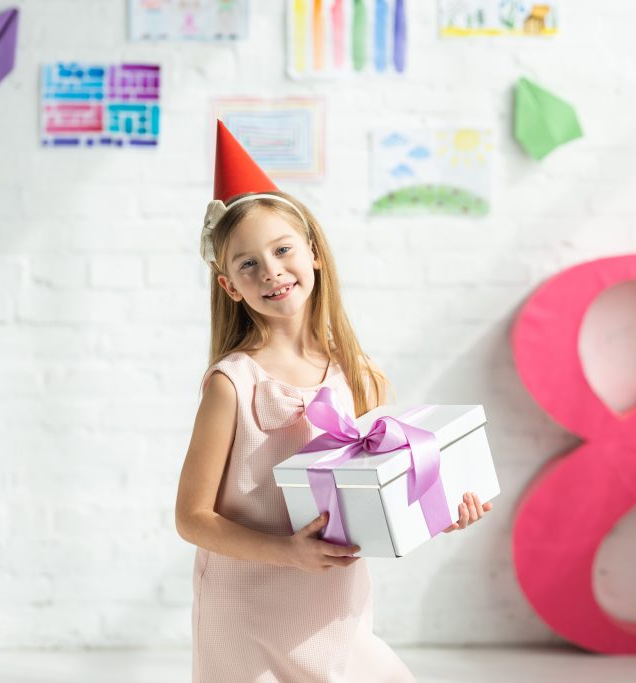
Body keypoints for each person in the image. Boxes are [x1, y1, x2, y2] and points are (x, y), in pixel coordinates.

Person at [175, 121, 491, 682]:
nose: (270, 270)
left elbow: (378, 492)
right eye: (247, 264)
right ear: (230, 287)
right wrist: (287, 553)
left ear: (314, 254)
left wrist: (438, 513)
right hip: (245, 614)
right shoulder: (233, 383)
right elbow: (192, 518)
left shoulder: (359, 375)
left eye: (281, 249)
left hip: (334, 609)